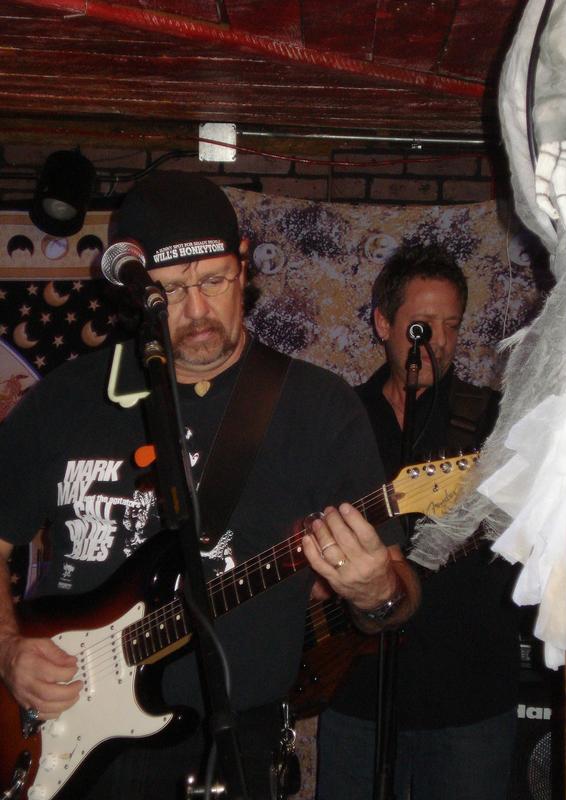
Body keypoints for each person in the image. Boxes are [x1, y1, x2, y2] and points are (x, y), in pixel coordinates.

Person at [0, 173, 420, 800]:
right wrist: (7, 649)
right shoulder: (67, 400)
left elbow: (399, 596)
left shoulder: (317, 408)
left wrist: (377, 592)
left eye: (215, 280)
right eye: (170, 290)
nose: (197, 311)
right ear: (133, 293)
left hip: (235, 748)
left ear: (244, 263)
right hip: (67, 741)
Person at [316, 244, 521, 800]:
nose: (440, 342)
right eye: (422, 326)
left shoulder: (494, 419)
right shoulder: (340, 418)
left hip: (468, 696)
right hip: (357, 691)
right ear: (383, 323)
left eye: (452, 325)